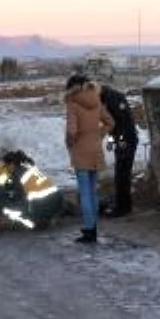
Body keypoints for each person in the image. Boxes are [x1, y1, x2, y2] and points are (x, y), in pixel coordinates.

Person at [64, 74, 114, 244]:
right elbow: (110, 122)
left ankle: (89, 230)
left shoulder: (73, 103)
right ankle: (93, 227)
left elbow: (72, 131)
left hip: (81, 151)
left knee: (84, 192)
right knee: (92, 191)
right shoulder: (97, 100)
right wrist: (98, 135)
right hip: (95, 150)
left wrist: (70, 143)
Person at [99, 83, 139, 218]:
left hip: (126, 140)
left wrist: (119, 142)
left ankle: (123, 207)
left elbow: (121, 125)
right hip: (124, 139)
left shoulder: (113, 100)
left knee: (122, 175)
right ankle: (123, 205)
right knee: (122, 174)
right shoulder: (111, 97)